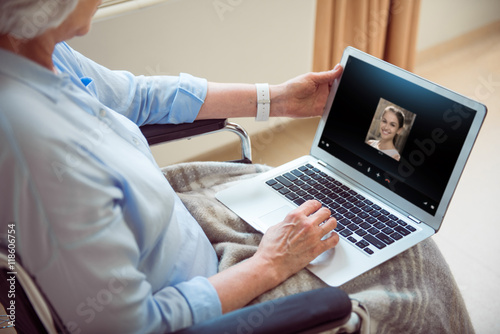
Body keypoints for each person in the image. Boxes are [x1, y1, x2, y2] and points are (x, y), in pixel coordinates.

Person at [0, 0, 343, 332]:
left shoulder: (37, 51)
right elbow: (130, 326)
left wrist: (278, 99)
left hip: (189, 237)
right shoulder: (34, 148)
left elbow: (139, 97)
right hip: (215, 302)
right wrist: (271, 263)